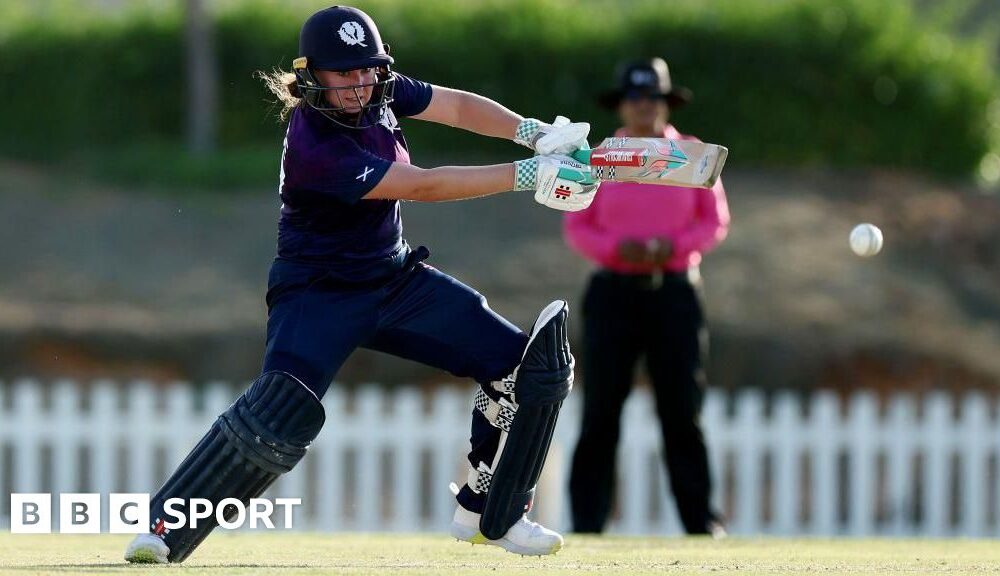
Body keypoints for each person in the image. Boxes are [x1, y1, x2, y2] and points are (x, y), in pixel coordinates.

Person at [125, 6, 598, 563]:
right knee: (276, 416)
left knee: (523, 368)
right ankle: (162, 527)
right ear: (311, 77)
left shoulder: (380, 90)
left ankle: (488, 510)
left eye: (366, 70)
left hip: (396, 281)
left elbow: (455, 105)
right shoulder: (314, 145)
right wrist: (525, 176)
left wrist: (533, 133)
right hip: (317, 293)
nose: (357, 84)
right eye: (343, 73)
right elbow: (422, 187)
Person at [565, 58, 729, 536]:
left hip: (673, 293)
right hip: (613, 293)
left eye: (651, 99)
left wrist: (668, 249)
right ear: (622, 104)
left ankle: (700, 523)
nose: (642, 108)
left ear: (664, 103)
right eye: (634, 99)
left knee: (682, 412)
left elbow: (713, 222)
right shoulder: (600, 157)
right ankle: (587, 524)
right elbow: (578, 225)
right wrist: (620, 249)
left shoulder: (693, 155)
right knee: (600, 413)